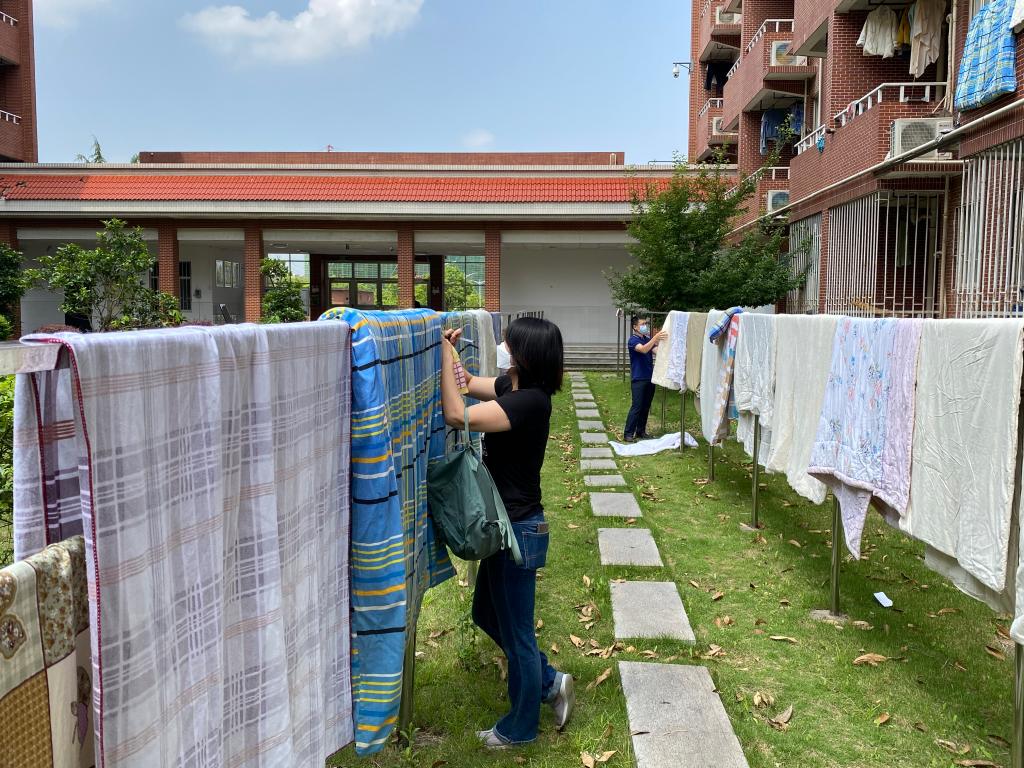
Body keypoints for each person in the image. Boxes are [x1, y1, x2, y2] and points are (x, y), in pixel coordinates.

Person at [440, 316, 574, 749]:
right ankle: (549, 681)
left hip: (520, 529)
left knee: (518, 636)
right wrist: (450, 352)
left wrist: (441, 353)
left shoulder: (528, 403)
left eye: (509, 345)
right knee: (486, 614)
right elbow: (465, 383)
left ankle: (520, 729)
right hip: (506, 525)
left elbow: (456, 414)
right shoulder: (510, 388)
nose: (503, 349)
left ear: (525, 355)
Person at [624, 315, 667, 442]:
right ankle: (628, 433)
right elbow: (643, 349)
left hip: (650, 378)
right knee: (637, 406)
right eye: (642, 324)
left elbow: (657, 351)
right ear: (635, 327)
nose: (645, 326)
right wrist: (655, 338)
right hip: (638, 378)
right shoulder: (633, 340)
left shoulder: (647, 339)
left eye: (646, 324)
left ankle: (641, 431)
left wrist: (665, 345)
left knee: (646, 406)